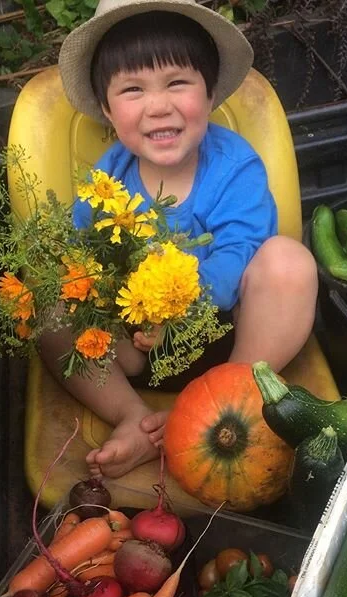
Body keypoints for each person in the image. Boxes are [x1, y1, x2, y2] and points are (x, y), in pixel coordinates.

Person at [48, 0, 318, 479]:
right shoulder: (107, 178)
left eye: (177, 83)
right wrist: (104, 301)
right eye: (133, 89)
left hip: (229, 339)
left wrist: (179, 310)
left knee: (289, 262)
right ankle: (132, 416)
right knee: (49, 301)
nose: (158, 106)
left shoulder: (234, 166)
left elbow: (241, 249)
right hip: (133, 348)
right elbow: (83, 256)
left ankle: (223, 403)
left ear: (210, 95)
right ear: (107, 109)